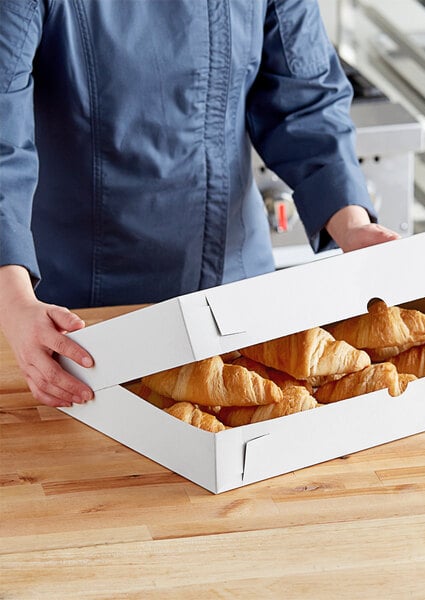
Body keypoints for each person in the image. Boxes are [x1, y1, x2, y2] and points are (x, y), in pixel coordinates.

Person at [0, 0, 400, 409]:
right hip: (83, 323)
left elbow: (304, 101)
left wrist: (352, 226)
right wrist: (14, 302)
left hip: (239, 303)